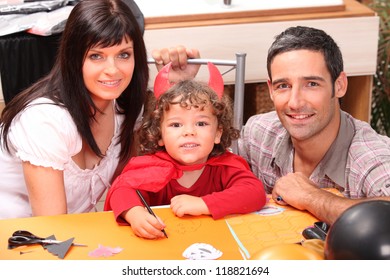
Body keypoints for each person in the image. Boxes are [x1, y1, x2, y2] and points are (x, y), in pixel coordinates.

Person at [0, 0, 200, 219]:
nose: (112, 70)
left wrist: (173, 88)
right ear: (74, 59)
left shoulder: (124, 108)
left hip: (74, 232)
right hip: (20, 239)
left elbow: (137, 182)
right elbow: (51, 231)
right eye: (96, 56)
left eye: (123, 54)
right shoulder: (45, 121)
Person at [238, 26, 390, 225]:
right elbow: (205, 169)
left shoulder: (371, 158)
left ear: (340, 85)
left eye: (311, 84)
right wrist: (183, 86)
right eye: (283, 86)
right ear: (271, 90)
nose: (295, 102)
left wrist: (310, 197)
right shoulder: (257, 133)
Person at [104, 63, 266, 239]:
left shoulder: (226, 167)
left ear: (218, 133)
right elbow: (122, 190)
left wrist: (204, 204)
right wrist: (135, 214)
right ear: (160, 135)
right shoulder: (150, 168)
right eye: (176, 124)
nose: (189, 132)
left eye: (201, 123)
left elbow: (254, 192)